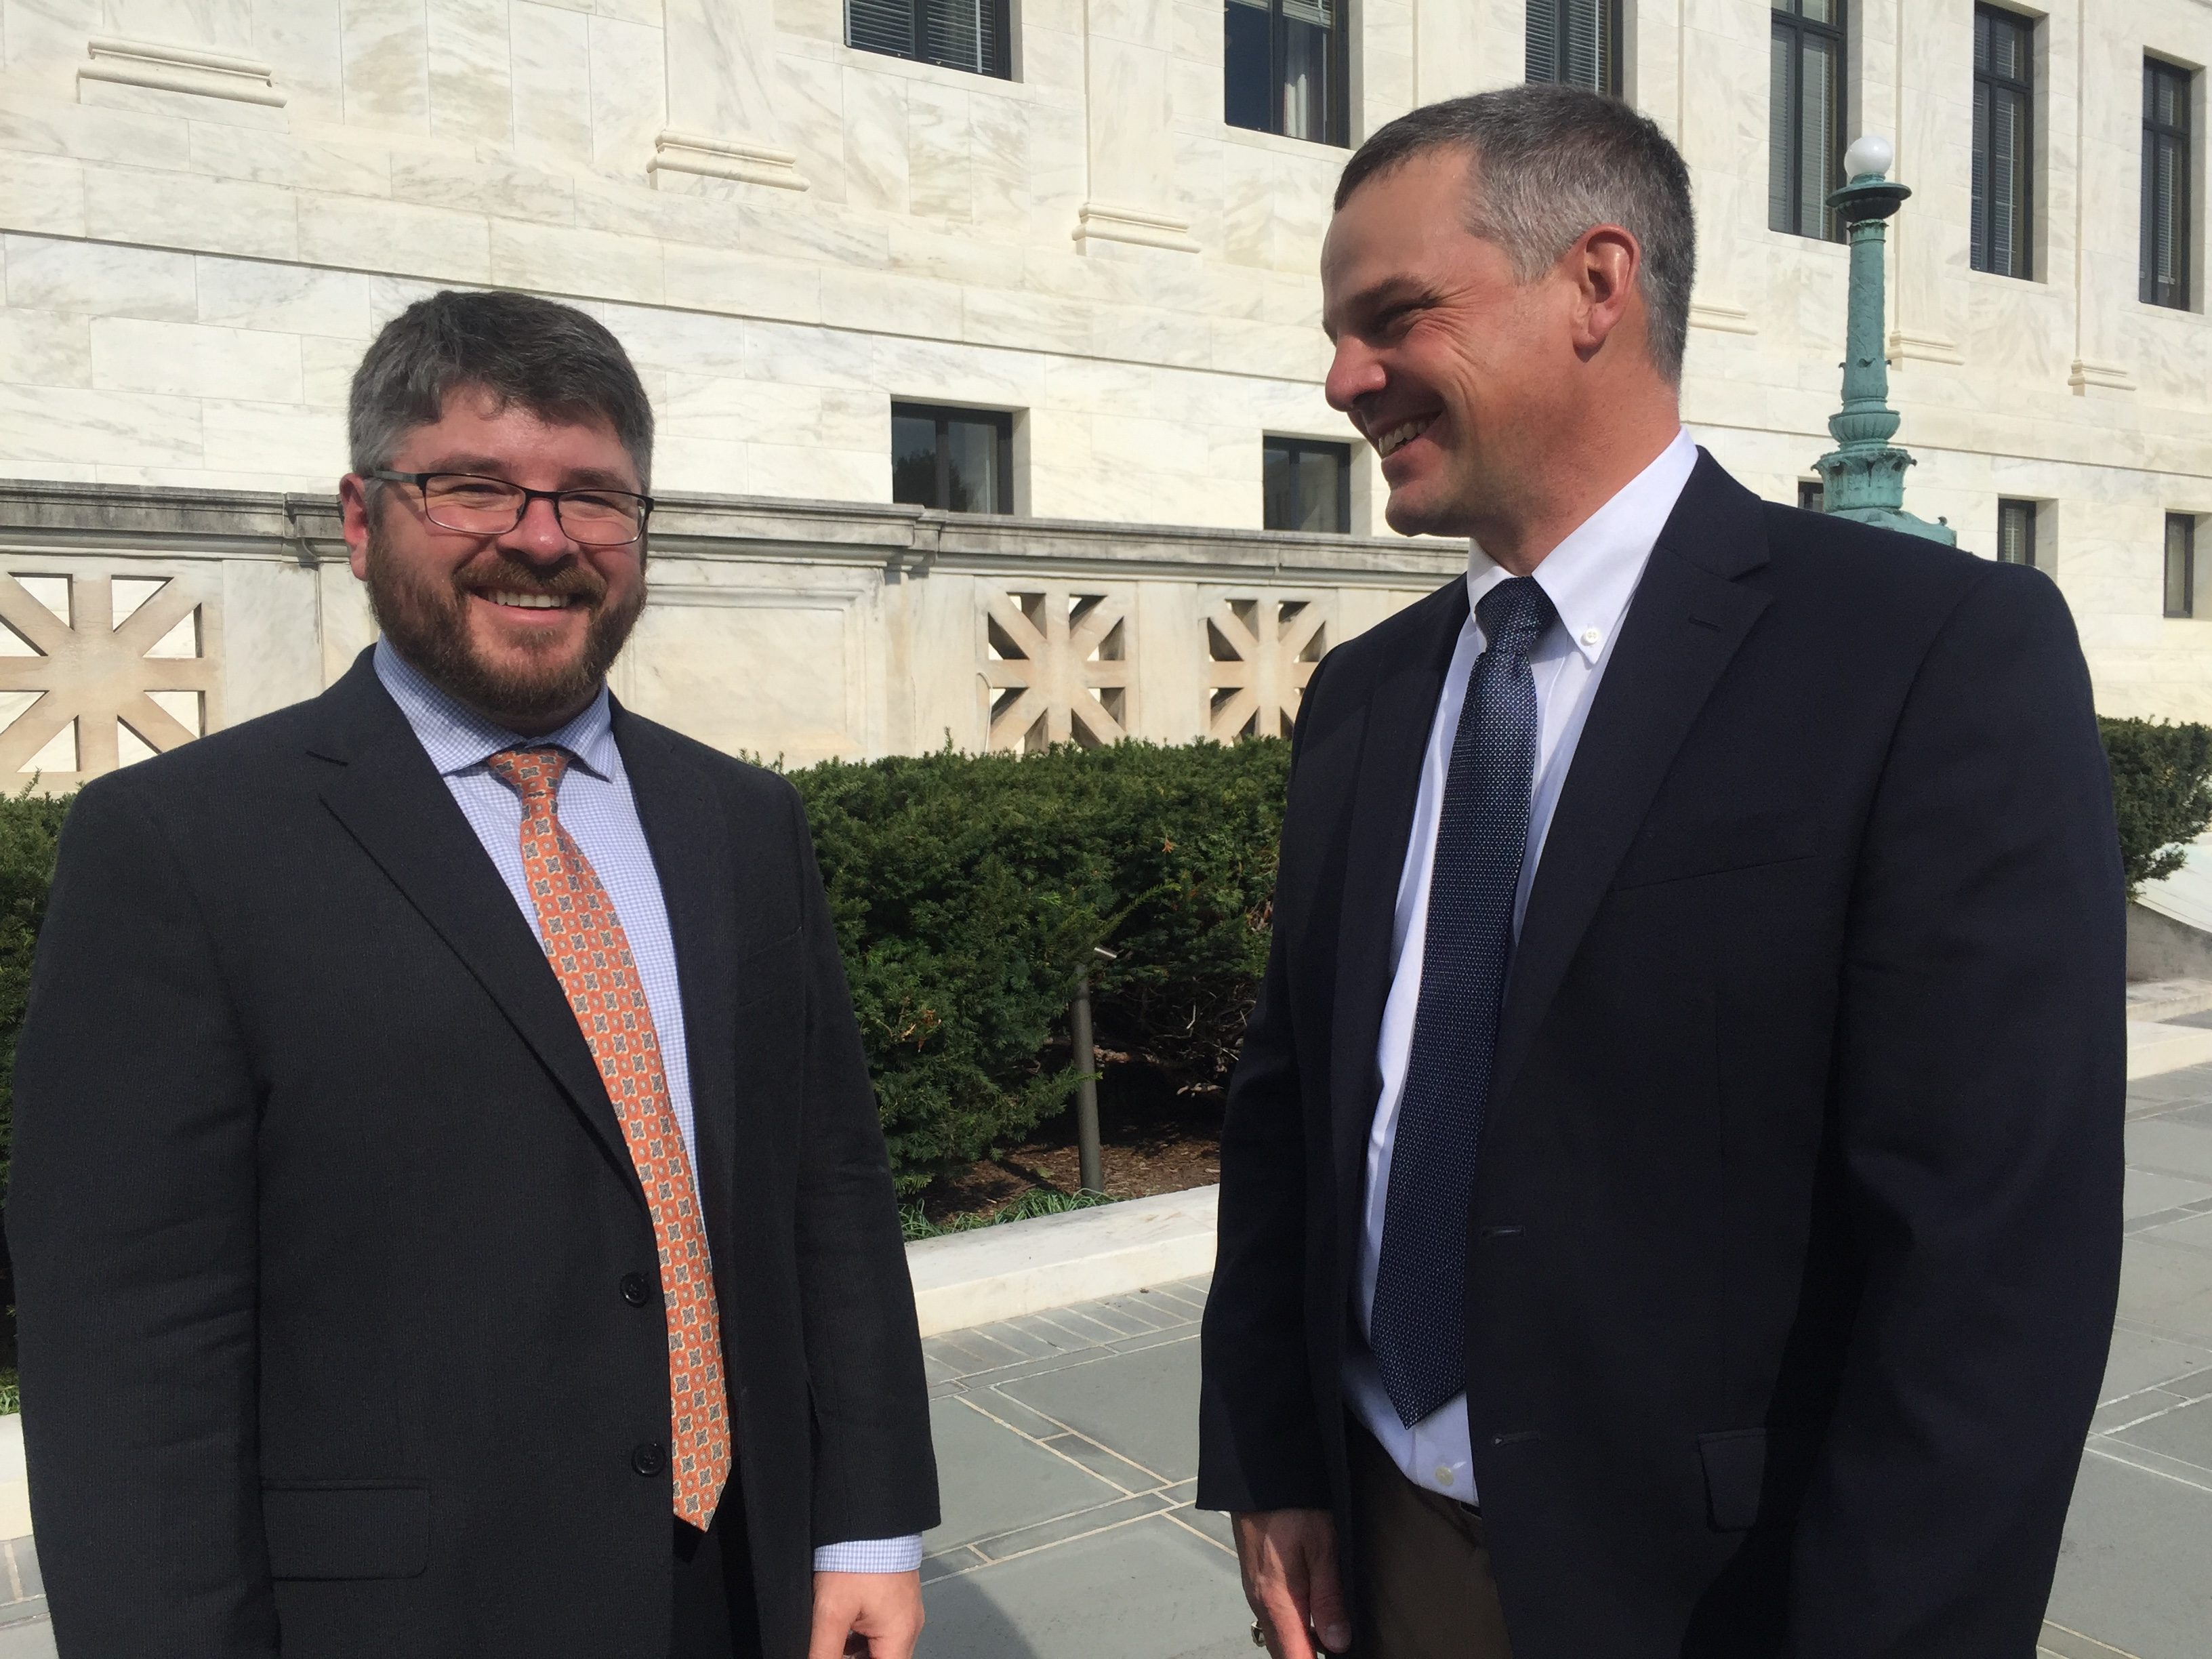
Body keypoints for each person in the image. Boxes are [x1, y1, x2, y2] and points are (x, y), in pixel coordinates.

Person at [1197, 85, 2123, 1659]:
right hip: (1384, 1554)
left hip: (1722, 1602)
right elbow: (1295, 1112)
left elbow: (1991, 1274)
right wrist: (1274, 1456)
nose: (1345, 378)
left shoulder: (1930, 658)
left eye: (1394, 317)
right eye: (1339, 331)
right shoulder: (1365, 697)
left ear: (1597, 286)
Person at [7, 289, 938, 1659]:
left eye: (594, 500)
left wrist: (865, 1523)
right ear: (360, 514)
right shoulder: (181, 849)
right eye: (474, 489)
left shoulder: (740, 823)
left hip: (739, 1587)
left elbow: (829, 1189)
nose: (542, 540)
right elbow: (134, 1351)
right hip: (406, 1617)